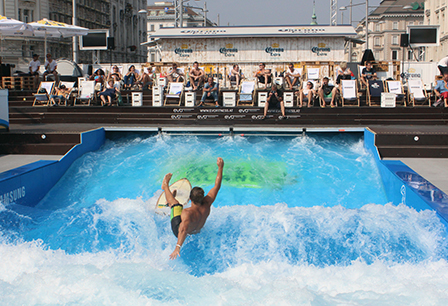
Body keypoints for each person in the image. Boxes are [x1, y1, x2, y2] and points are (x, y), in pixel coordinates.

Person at [163, 157, 224, 260]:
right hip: (196, 231)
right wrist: (220, 168)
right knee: (179, 209)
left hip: (178, 231)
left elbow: (182, 230)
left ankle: (165, 187)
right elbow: (217, 186)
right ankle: (170, 203)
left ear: (190, 198)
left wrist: (177, 247)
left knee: (177, 205)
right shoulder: (207, 203)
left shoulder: (187, 213)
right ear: (203, 196)